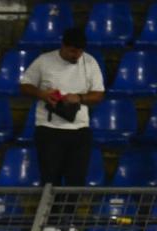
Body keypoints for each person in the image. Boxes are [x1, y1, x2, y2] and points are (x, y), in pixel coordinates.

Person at [19, 27, 104, 186]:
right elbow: (25, 86)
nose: (76, 56)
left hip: (79, 130)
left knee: (77, 181)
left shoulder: (90, 62)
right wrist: (42, 94)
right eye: (72, 51)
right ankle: (50, 212)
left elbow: (98, 94)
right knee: (50, 180)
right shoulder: (44, 61)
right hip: (48, 129)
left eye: (79, 52)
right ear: (63, 46)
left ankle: (69, 211)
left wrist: (78, 97)